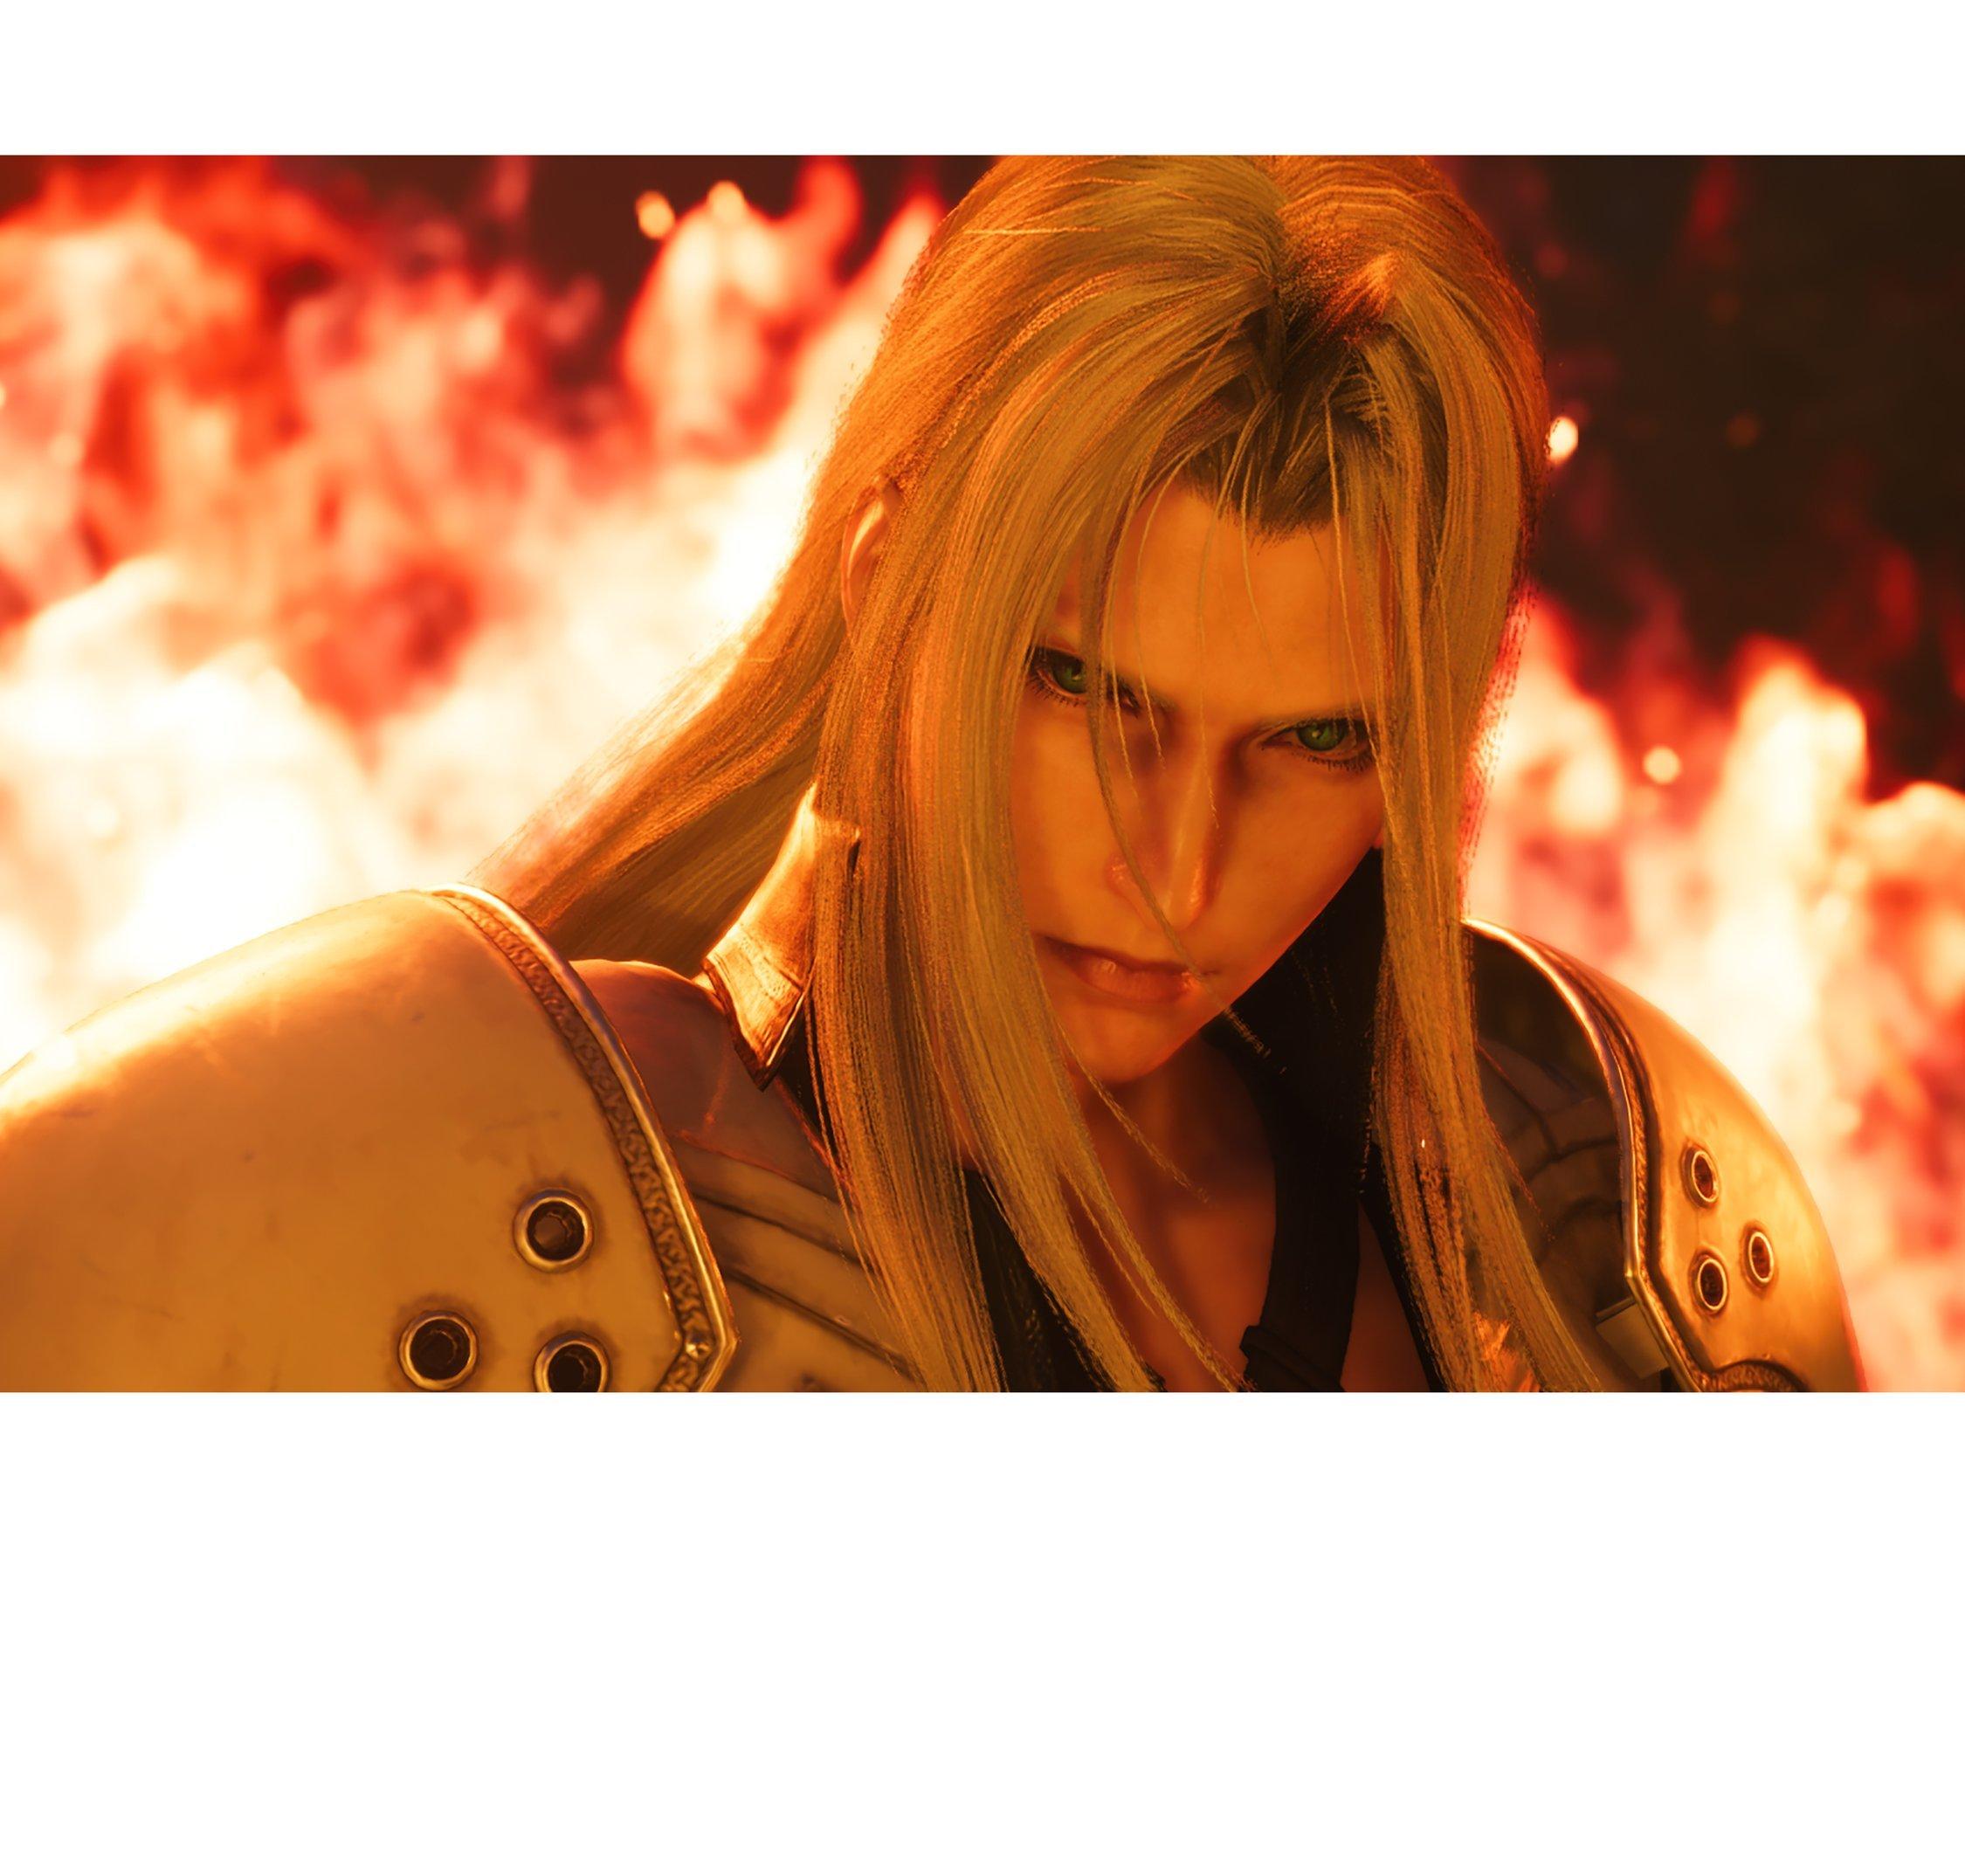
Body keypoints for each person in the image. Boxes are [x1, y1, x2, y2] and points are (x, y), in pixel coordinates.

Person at [0, 158, 1864, 1391]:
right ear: (890, 588)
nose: (1173, 871)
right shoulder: (424, 1185)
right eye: (1088, 692)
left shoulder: (1625, 1227)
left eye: (1314, 741)